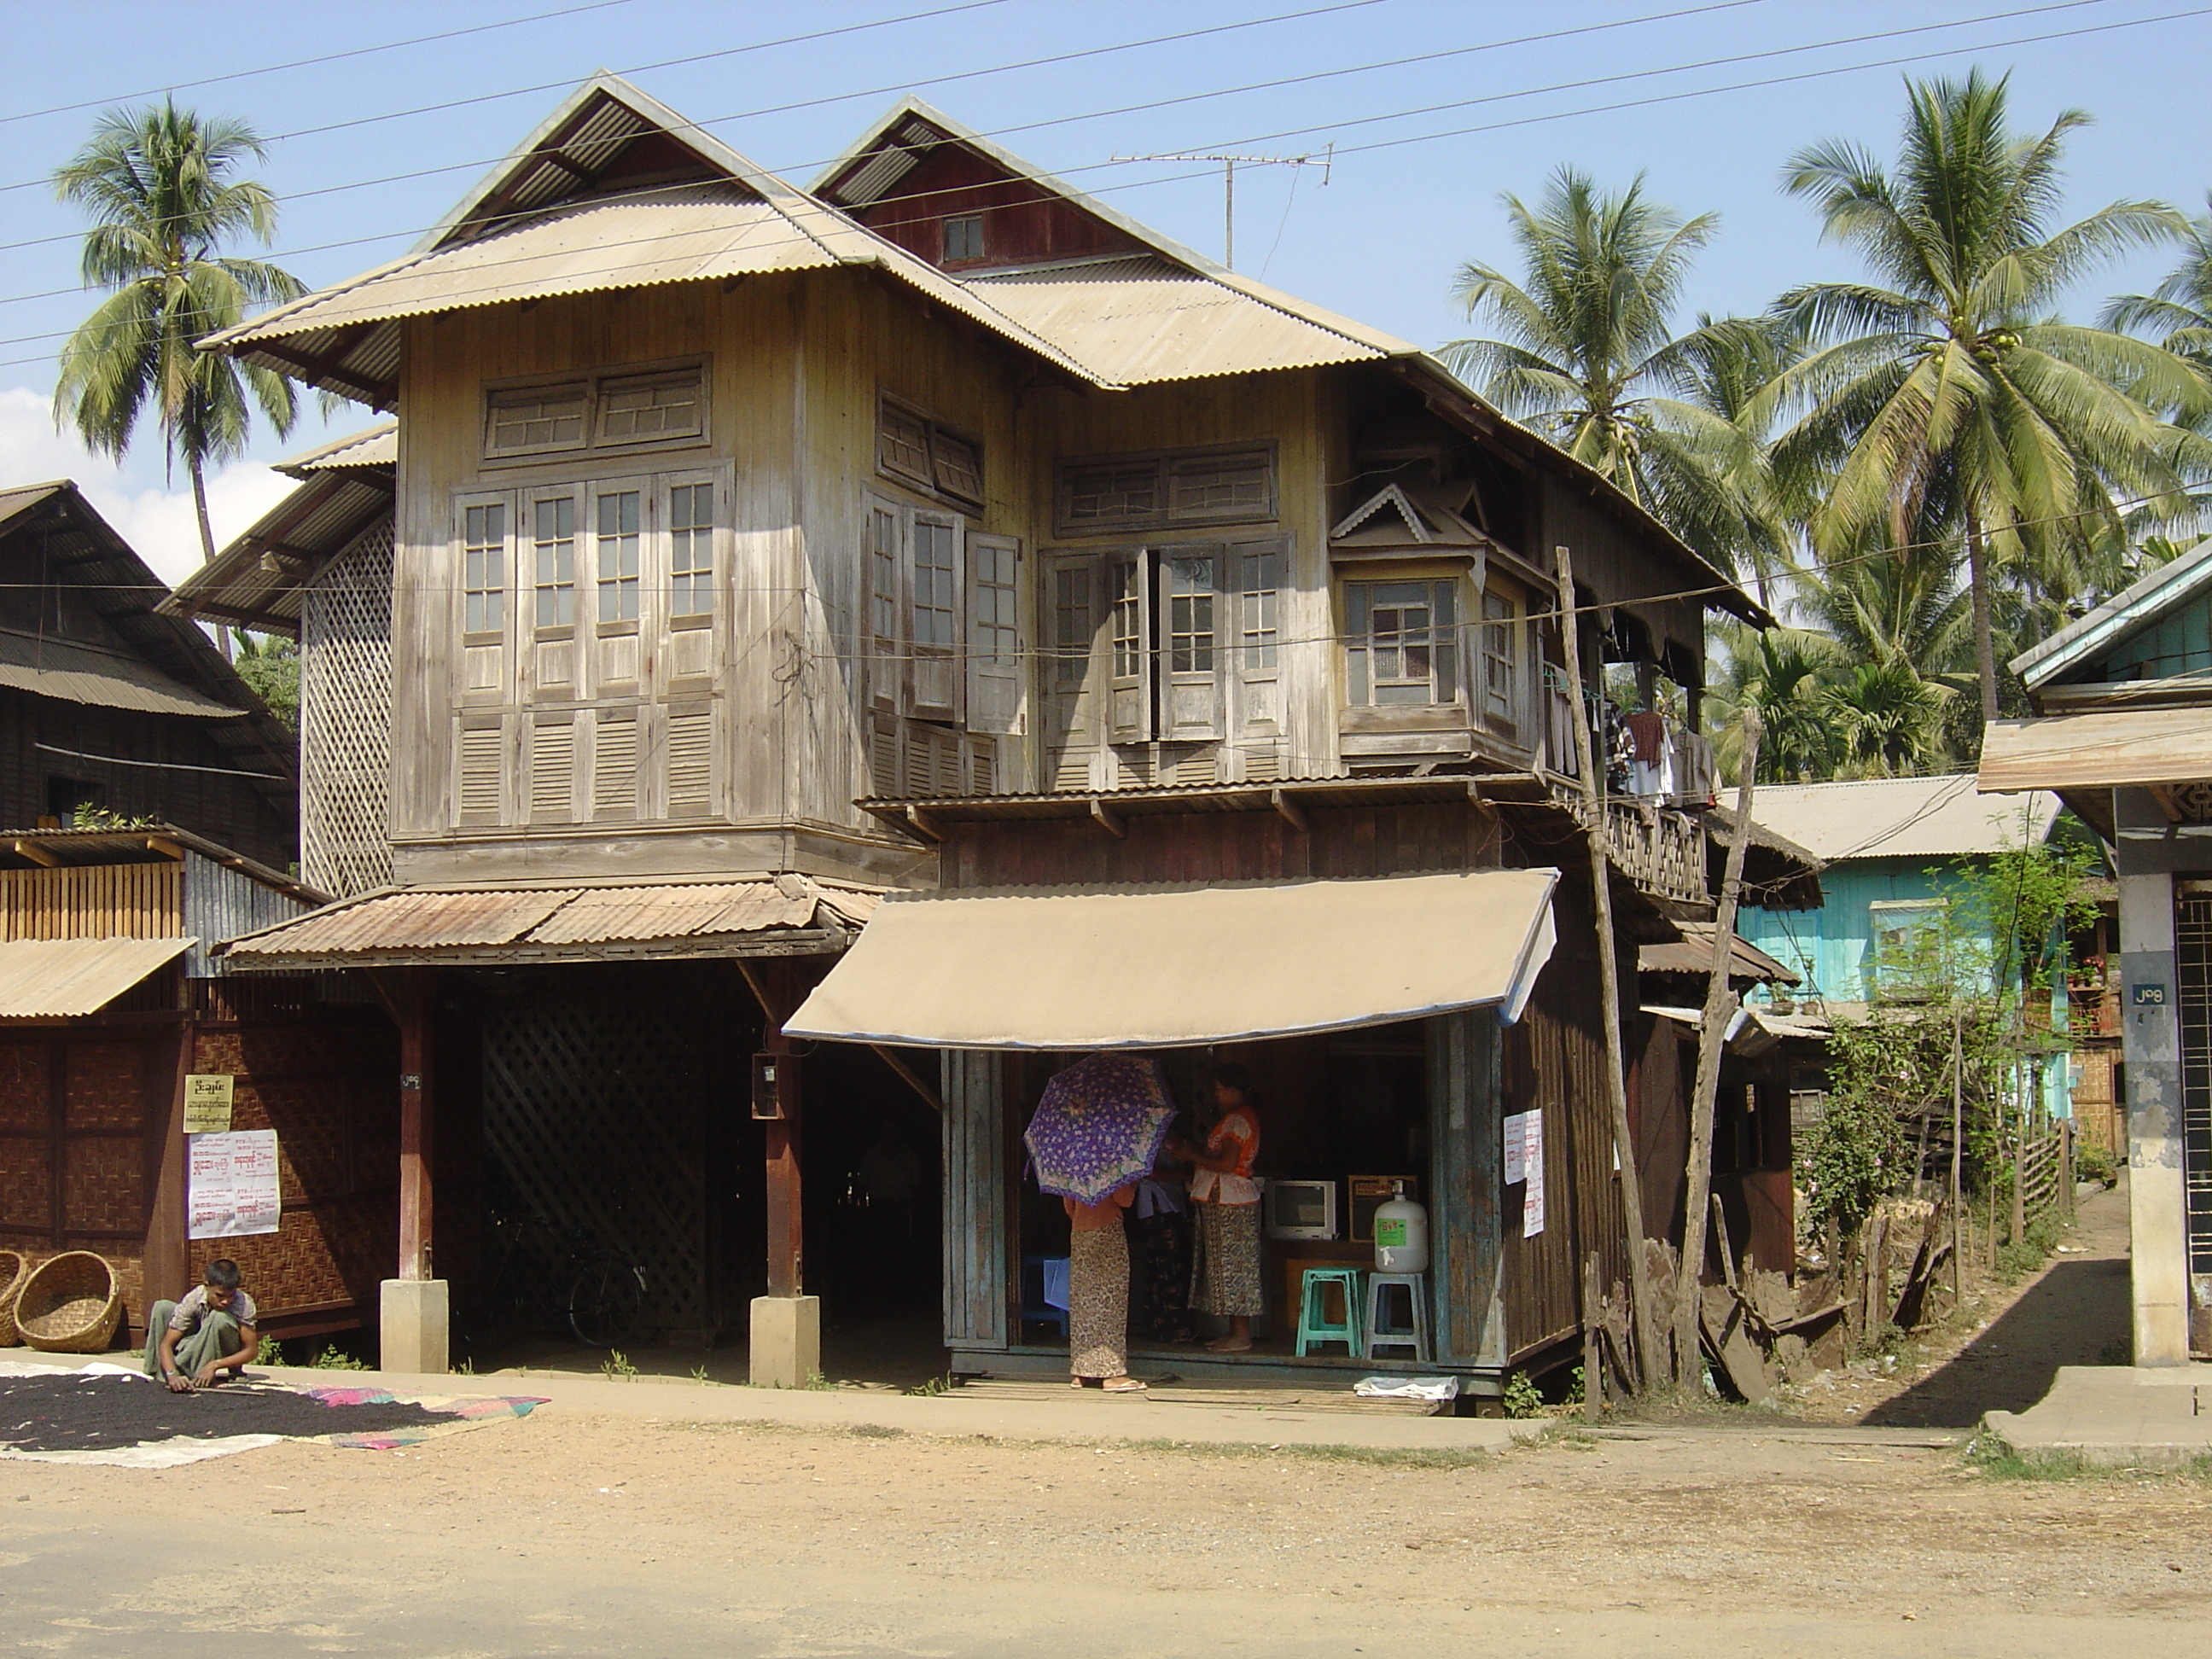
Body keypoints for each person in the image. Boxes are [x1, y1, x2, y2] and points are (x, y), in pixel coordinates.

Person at [1179, 1063, 1265, 1353]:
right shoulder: (1233, 1118)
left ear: (1233, 1090)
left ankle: (1241, 1335)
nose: (1215, 1095)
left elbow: (1227, 1164)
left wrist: (1192, 1154)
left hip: (1231, 1203)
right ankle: (1234, 1332)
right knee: (1224, 1267)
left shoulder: (1239, 1120)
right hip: (1224, 1201)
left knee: (1234, 1268)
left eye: (1218, 1089)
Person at [1064, 1181, 1145, 1391]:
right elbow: (1124, 1199)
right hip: (1107, 1230)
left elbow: (1069, 1207)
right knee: (1110, 1302)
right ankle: (1111, 1374)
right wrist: (1134, 1182)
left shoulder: (1074, 1165)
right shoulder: (1110, 1164)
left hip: (1080, 1231)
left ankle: (1082, 1371)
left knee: (1084, 1301)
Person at [145, 1259, 258, 1393]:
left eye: (230, 1296)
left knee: (219, 1317)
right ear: (207, 1286)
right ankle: (161, 1372)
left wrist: (214, 1365)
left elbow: (251, 1351)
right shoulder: (194, 1299)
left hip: (226, 1350)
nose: (226, 1301)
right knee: (162, 1307)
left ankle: (200, 1372)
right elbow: (166, 1344)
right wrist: (172, 1375)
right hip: (196, 1342)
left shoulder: (244, 1304)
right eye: (220, 1296)